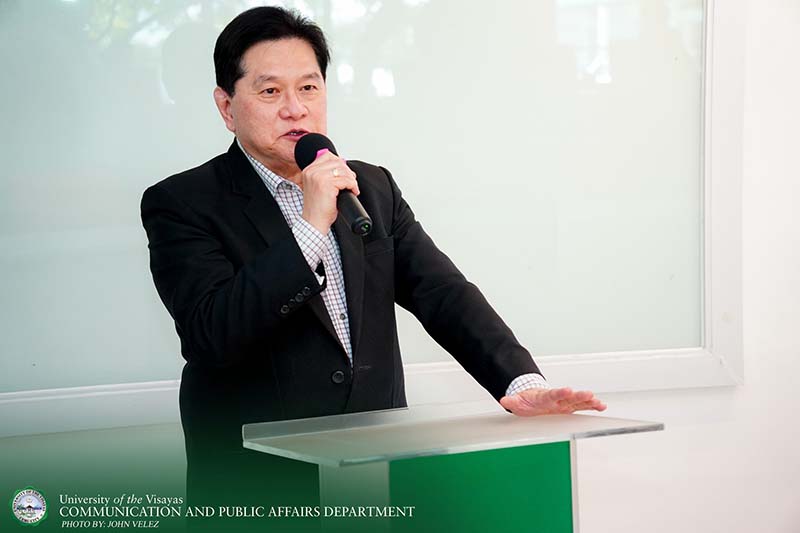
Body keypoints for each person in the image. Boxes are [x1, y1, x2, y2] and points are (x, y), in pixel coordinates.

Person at [140, 5, 605, 521]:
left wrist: (520, 383)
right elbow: (212, 333)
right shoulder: (182, 203)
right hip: (257, 484)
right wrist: (310, 228)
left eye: (309, 88)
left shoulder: (370, 188)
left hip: (375, 473)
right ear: (227, 107)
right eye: (270, 91)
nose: (295, 109)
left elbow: (444, 294)